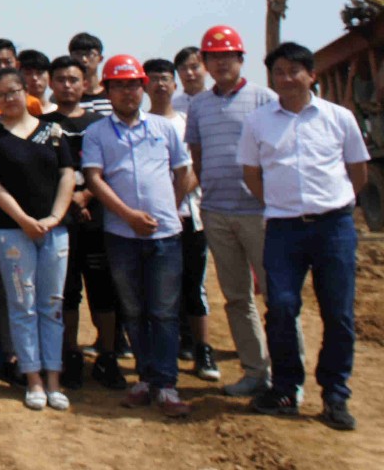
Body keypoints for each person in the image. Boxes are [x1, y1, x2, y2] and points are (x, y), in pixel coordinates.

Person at [241, 41, 369, 431]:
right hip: (284, 229)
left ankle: (335, 395)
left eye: (294, 71)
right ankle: (284, 388)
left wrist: (336, 204)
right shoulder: (258, 122)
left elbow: (357, 170)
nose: (286, 79)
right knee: (281, 306)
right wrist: (280, 204)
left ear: (311, 75)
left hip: (334, 227)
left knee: (338, 313)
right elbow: (251, 174)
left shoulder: (339, 117)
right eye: (279, 72)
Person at [82, 55, 195, 417]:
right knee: (133, 309)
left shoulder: (164, 128)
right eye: (119, 86)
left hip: (165, 236)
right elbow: (95, 179)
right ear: (108, 91)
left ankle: (167, 383)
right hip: (121, 235)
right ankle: (146, 378)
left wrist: (168, 209)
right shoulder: (97, 133)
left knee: (164, 311)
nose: (127, 92)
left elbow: (183, 172)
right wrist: (129, 216)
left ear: (142, 88)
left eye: (133, 84)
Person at [184, 24, 282, 397]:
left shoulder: (264, 99)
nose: (221, 63)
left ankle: (287, 375)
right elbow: (198, 156)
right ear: (205, 63)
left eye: (228, 56)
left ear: (241, 58)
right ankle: (256, 372)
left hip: (259, 212)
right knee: (237, 297)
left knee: (277, 297)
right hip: (216, 212)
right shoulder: (199, 106)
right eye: (214, 57)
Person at [0, 67, 76, 411]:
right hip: (11, 233)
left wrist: (53, 218)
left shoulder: (53, 131)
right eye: (1, 95)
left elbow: (67, 175)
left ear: (26, 92)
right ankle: (32, 378)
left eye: (14, 91)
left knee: (52, 305)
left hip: (54, 231)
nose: (9, 99)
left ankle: (54, 380)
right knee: (22, 305)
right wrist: (24, 220)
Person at [44, 55, 122, 390]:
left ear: (86, 84)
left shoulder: (100, 124)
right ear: (51, 84)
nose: (67, 85)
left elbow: (112, 168)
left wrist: (87, 196)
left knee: (103, 289)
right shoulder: (42, 125)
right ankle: (71, 354)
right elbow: (40, 172)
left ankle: (108, 355)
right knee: (67, 290)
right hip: (60, 219)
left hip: (98, 218)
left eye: (73, 79)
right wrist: (68, 202)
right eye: (60, 79)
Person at [144, 58, 216, 381]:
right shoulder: (139, 124)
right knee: (157, 290)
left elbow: (197, 167)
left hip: (187, 217)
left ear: (175, 85)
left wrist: (172, 205)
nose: (159, 84)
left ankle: (203, 349)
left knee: (193, 285)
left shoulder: (188, 122)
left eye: (165, 78)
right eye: (153, 79)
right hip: (151, 222)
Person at [68, 33, 114, 119]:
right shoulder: (66, 95)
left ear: (100, 58)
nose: (84, 59)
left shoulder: (113, 95)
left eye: (89, 54)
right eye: (78, 54)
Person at [172, 46, 208, 113]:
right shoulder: (171, 106)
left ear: (206, 68)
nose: (189, 73)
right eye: (183, 68)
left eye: (194, 67)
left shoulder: (218, 101)